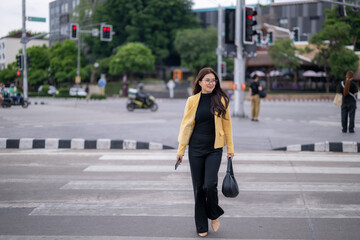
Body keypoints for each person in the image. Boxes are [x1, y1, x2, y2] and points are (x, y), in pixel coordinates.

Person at [176, 67, 234, 237]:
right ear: (200, 82)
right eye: (207, 80)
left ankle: (214, 214)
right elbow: (186, 126)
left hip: (214, 149)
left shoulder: (222, 100)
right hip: (195, 149)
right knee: (198, 189)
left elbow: (227, 126)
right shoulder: (192, 100)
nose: (211, 83)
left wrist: (230, 149)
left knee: (209, 185)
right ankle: (201, 225)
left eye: (213, 80)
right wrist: (181, 150)